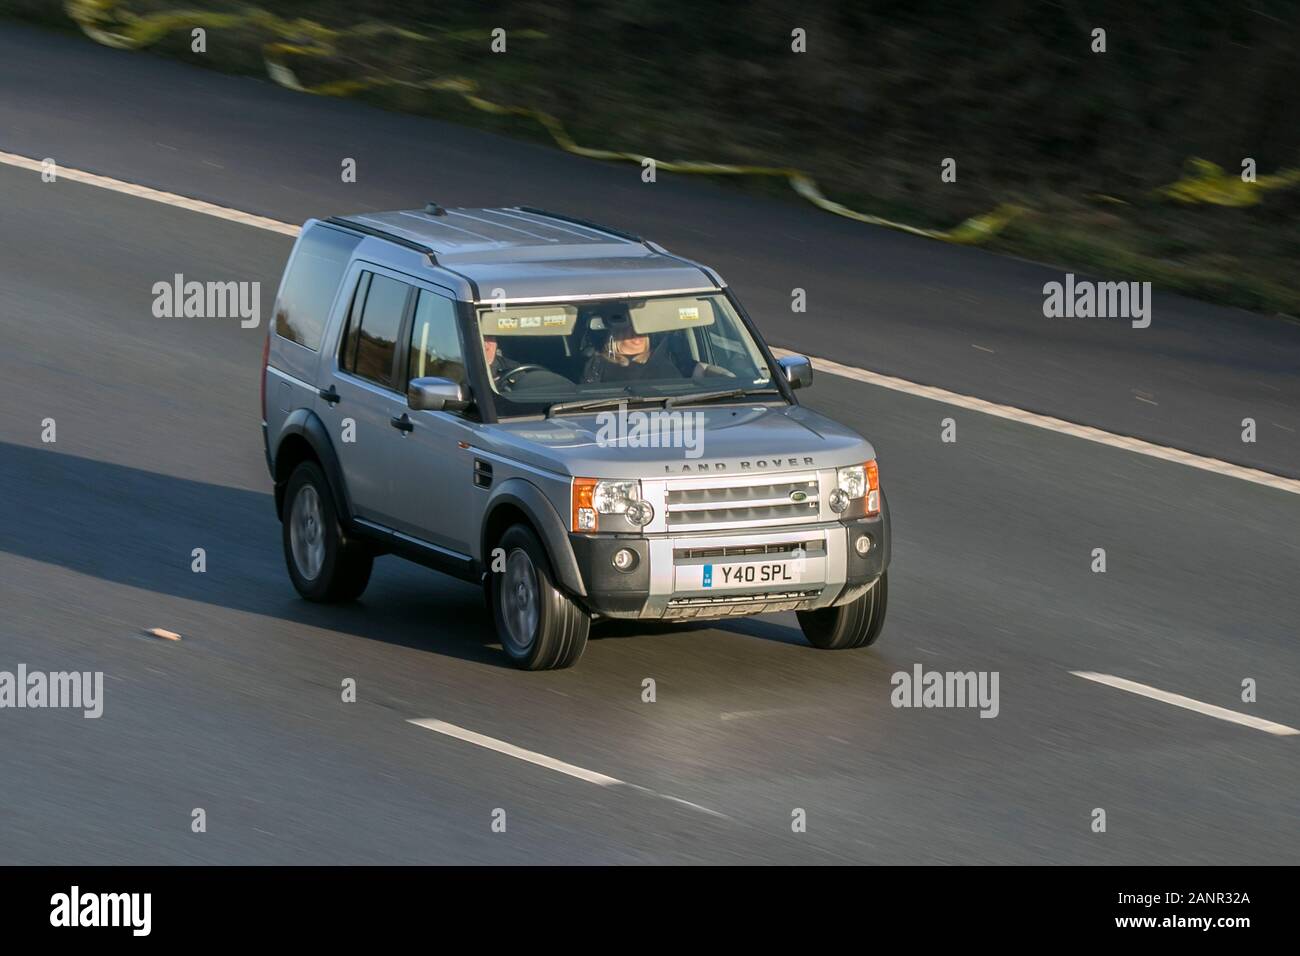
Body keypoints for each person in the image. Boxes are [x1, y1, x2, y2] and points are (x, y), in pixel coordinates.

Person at [582, 320, 681, 384]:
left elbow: (678, 395)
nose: (637, 333)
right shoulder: (597, 365)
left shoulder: (661, 364)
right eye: (628, 328)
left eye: (640, 328)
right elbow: (587, 396)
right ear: (615, 334)